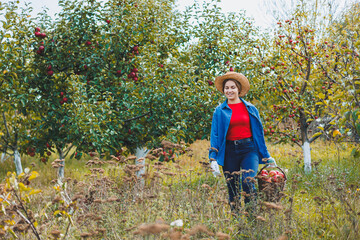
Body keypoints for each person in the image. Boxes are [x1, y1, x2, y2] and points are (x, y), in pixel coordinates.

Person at [208, 71, 276, 215]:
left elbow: (259, 135)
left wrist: (266, 156)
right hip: (229, 151)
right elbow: (215, 134)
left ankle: (252, 218)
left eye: (232, 87)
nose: (229, 90)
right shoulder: (219, 111)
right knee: (232, 187)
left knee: (248, 182)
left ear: (238, 89)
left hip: (249, 149)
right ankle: (237, 220)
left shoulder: (250, 109)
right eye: (227, 88)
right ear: (223, 90)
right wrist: (212, 157)